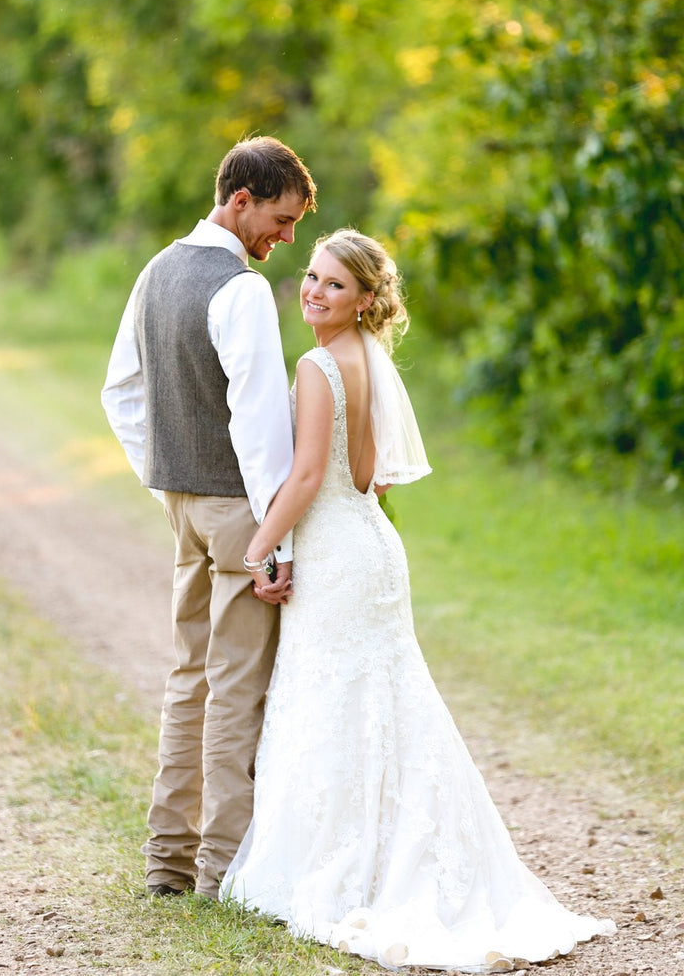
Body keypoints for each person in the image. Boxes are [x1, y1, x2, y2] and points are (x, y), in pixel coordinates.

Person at [222, 229, 616, 972]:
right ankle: (402, 856)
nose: (313, 291)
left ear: (366, 298)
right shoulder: (371, 360)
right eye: (310, 276)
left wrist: (257, 549)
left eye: (335, 285)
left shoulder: (315, 366)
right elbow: (375, 476)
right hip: (374, 546)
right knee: (386, 701)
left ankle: (349, 866)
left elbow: (308, 479)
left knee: (337, 699)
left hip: (338, 553)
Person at [101, 136, 317, 900]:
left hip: (184, 508)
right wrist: (274, 542)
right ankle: (224, 869)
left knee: (187, 678)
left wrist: (163, 480)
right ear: (241, 200)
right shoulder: (242, 289)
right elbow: (258, 427)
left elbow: (119, 392)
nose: (286, 239)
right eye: (282, 220)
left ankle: (168, 860)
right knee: (235, 689)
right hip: (238, 514)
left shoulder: (155, 270)